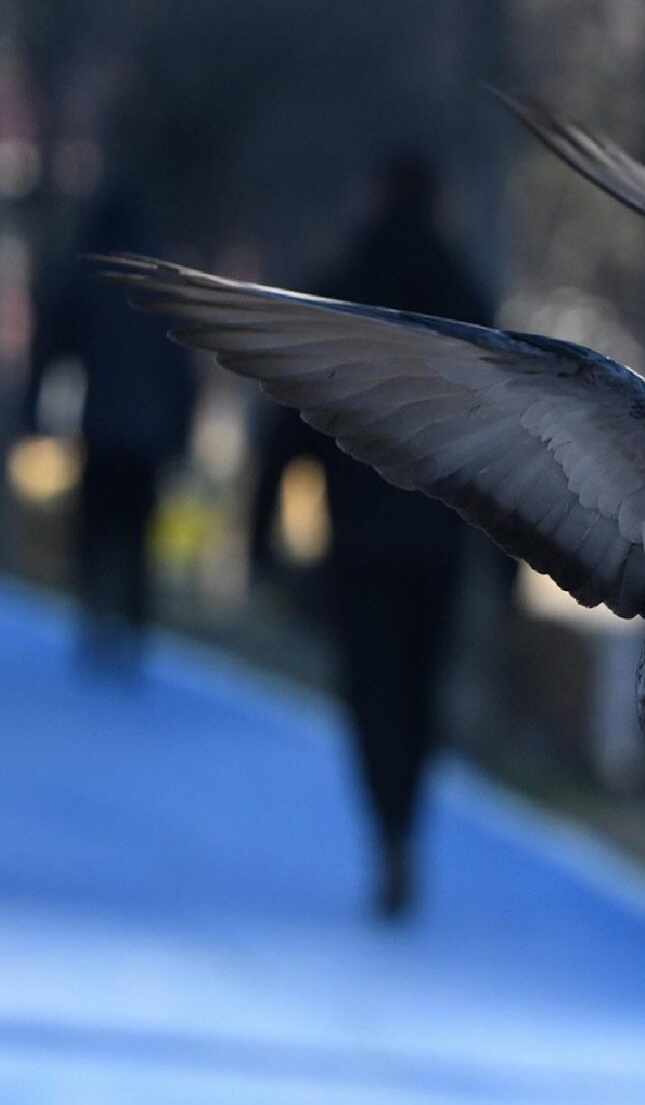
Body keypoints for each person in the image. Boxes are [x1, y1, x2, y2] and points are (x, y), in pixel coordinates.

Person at [250, 151, 493, 920]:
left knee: (370, 694)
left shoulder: (342, 287)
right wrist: (513, 562)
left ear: (378, 194)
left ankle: (387, 830)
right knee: (419, 693)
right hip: (438, 540)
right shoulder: (464, 297)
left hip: (357, 538)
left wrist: (260, 533)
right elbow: (509, 442)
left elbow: (288, 422)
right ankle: (407, 824)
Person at [21, 187, 199, 671]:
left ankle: (96, 619)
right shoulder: (160, 282)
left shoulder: (89, 276)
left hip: (102, 428)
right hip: (149, 435)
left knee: (96, 529)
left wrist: (32, 410)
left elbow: (51, 345)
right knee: (136, 534)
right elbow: (181, 370)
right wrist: (181, 434)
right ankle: (132, 627)